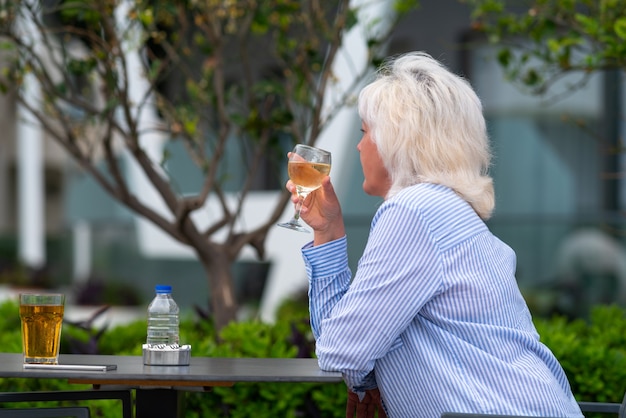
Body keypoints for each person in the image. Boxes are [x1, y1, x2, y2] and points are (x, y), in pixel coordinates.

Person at [285, 52, 583, 418]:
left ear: (396, 140)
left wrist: (368, 355)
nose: (360, 146)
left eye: (365, 133)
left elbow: (339, 351)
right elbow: (353, 355)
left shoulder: (413, 212)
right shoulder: (449, 209)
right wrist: (328, 230)